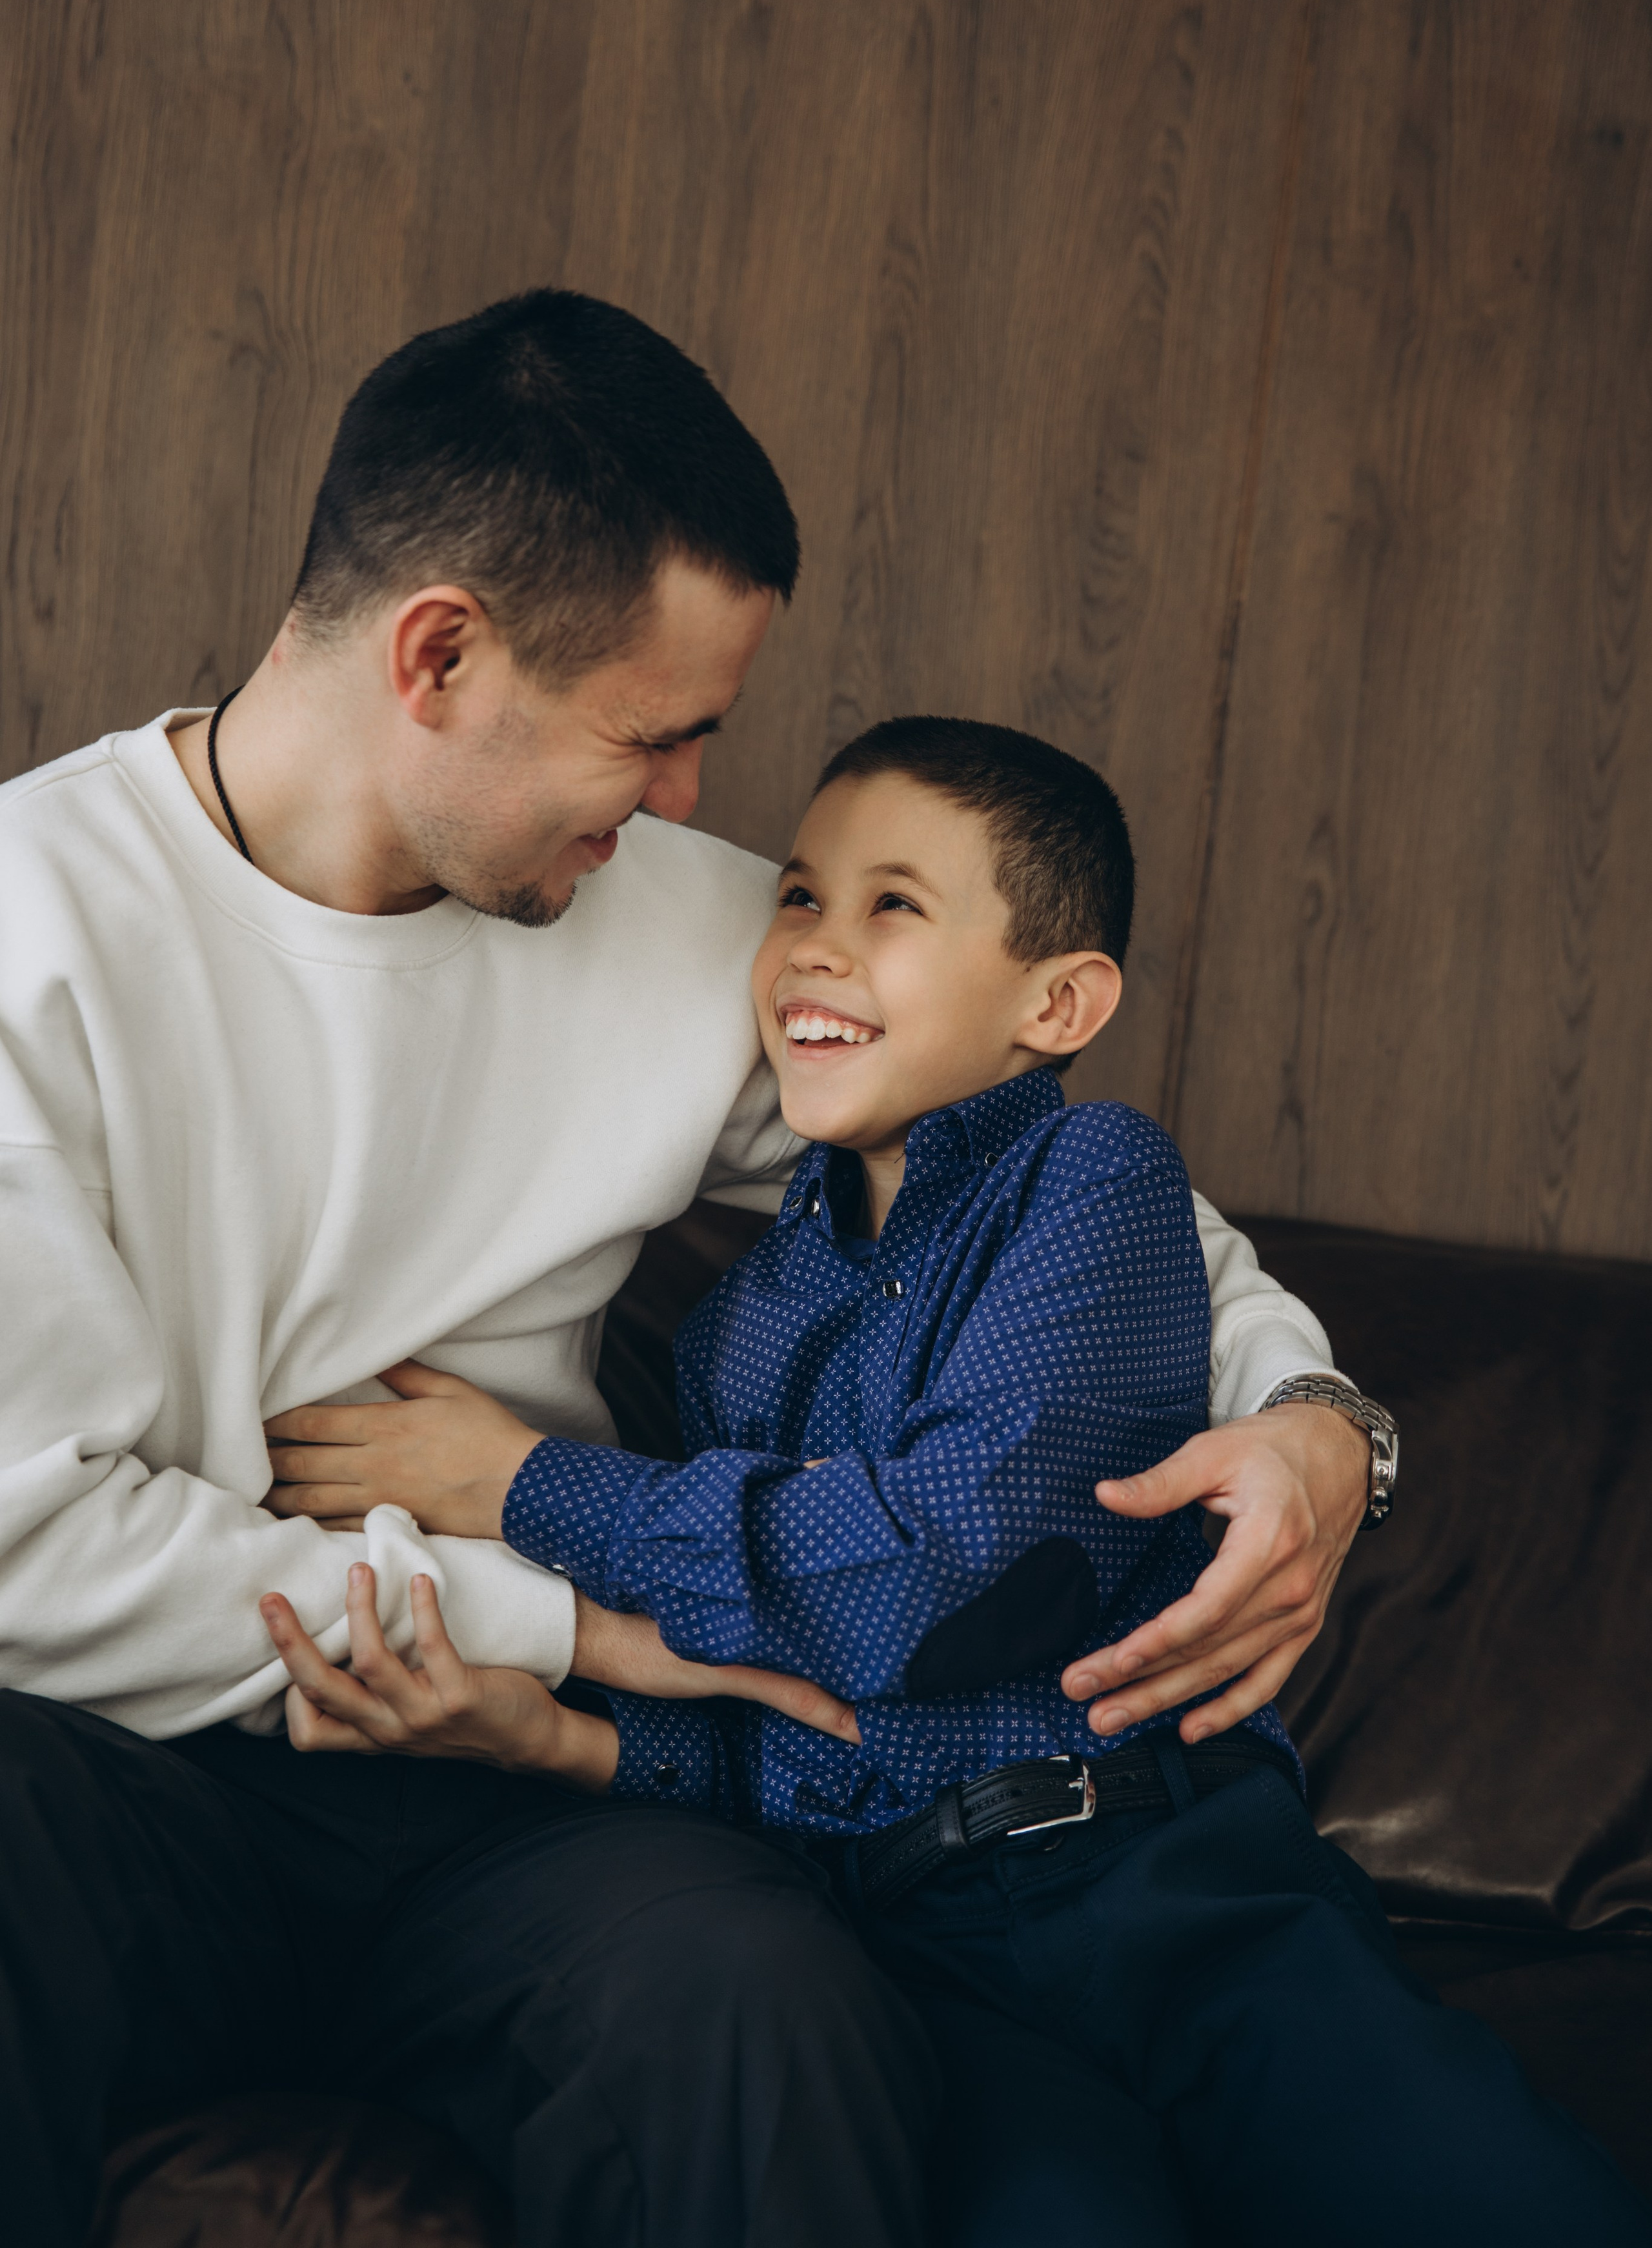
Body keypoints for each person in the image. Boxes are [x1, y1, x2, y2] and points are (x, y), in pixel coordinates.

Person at [1, 289, 1372, 2247]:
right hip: (131, 1770)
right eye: (655, 736)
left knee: (759, 2004)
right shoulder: (27, 930)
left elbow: (1041, 1192)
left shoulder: (683, 929)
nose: (687, 808)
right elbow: (27, 1551)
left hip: (515, 1816)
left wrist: (1314, 1416)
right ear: (442, 654)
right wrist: (563, 1628)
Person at [269, 716, 1649, 2247]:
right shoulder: (738, 1328)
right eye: (797, 896)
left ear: (1055, 1001)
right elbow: (791, 1723)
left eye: (892, 907)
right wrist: (562, 1743)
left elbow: (942, 1580)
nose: (813, 948)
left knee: (1473, 2199)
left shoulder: (1089, 1183)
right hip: (914, 1947)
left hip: (1150, 1876)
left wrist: (525, 1486)